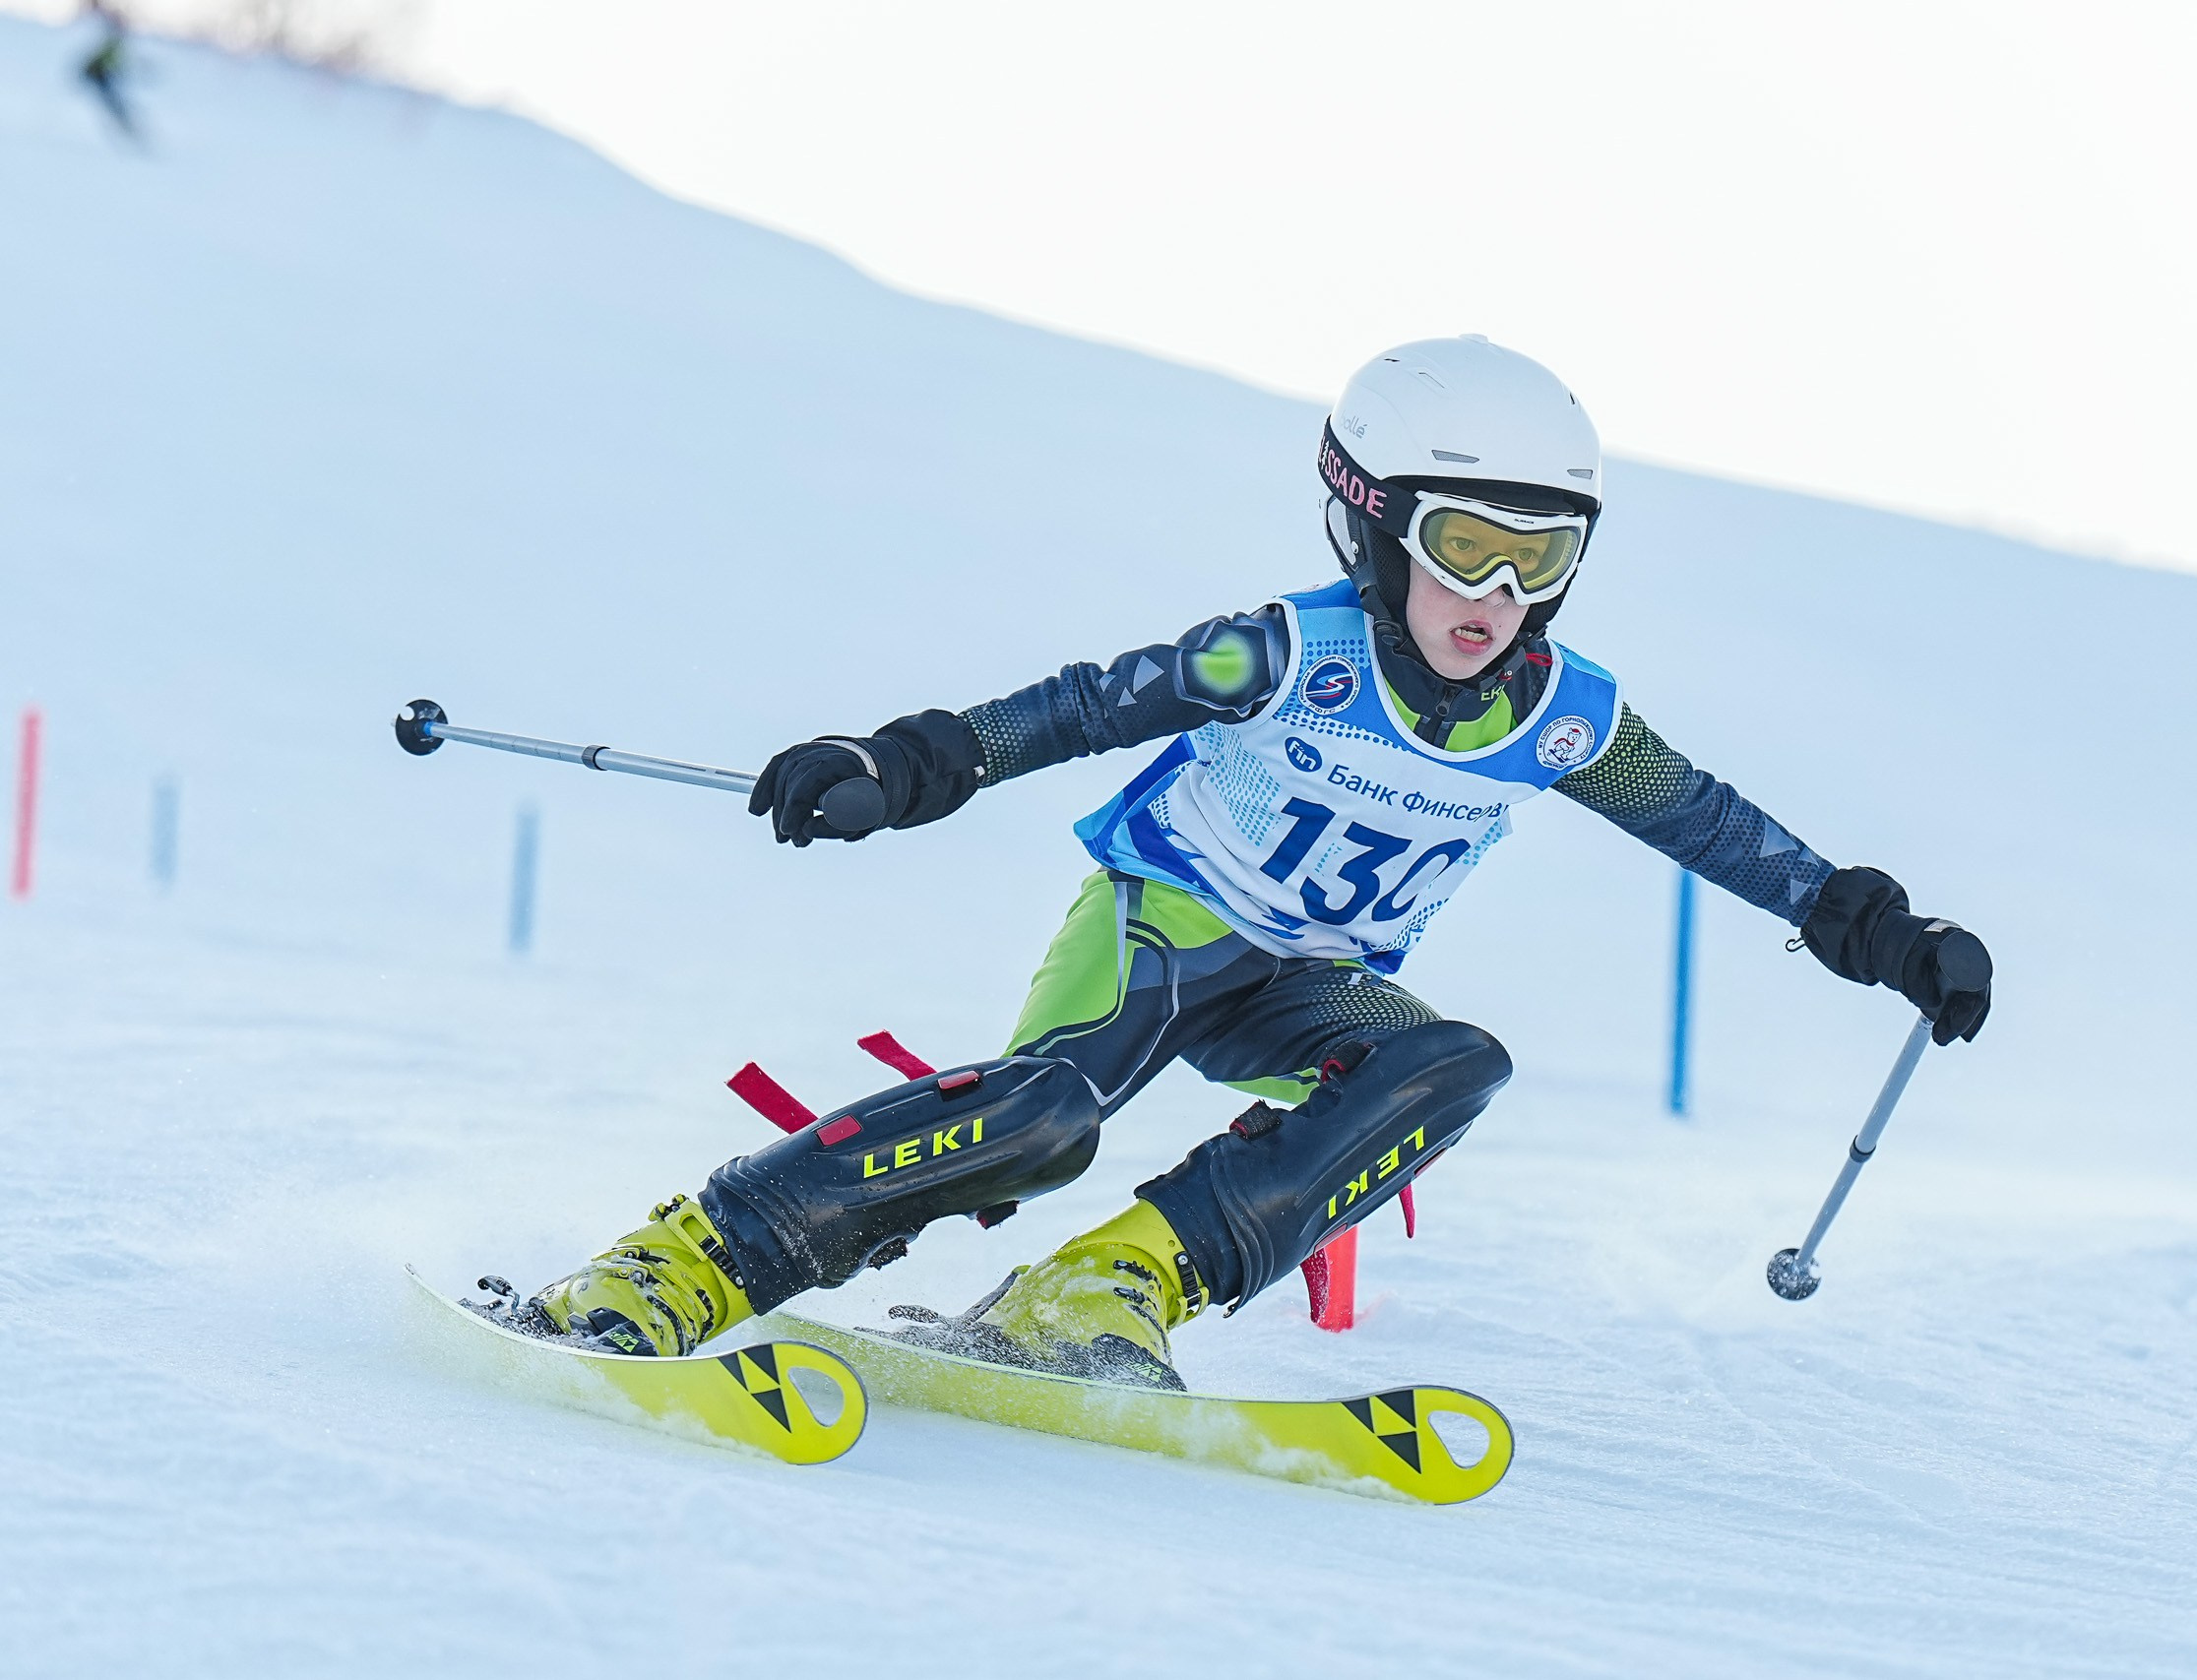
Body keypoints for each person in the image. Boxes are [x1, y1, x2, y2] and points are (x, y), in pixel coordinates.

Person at [513, 337, 1993, 1385]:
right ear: (1369, 522)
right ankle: (698, 1255)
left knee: (1449, 1064)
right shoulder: (1299, 652)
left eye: (1539, 558)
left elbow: (1718, 827)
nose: (1494, 595)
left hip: (1309, 987)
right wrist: (910, 764)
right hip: (1162, 932)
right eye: (1466, 542)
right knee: (1047, 1120)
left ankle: (1106, 1287)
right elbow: (1094, 702)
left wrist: (1882, 931)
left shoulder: (1565, 722)